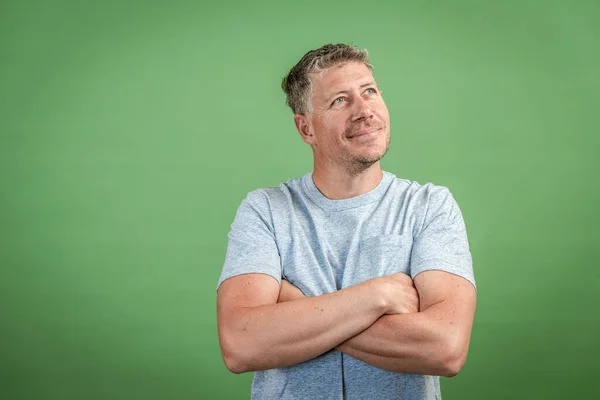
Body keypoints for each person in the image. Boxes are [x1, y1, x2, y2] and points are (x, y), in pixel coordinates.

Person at [216, 43, 476, 400]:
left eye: (369, 91)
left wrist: (296, 309)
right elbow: (241, 344)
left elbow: (445, 348)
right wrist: (378, 296)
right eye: (340, 100)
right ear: (306, 129)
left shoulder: (430, 206)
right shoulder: (265, 211)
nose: (364, 110)